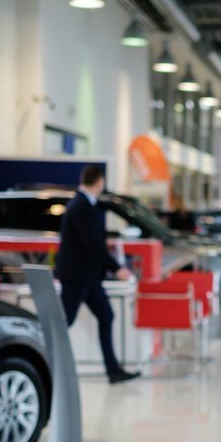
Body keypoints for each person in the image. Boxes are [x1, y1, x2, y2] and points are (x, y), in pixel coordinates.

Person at [55, 164, 139, 384]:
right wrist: (117, 268)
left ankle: (113, 370)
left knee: (106, 316)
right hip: (77, 278)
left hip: (88, 278)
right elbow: (94, 244)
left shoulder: (83, 204)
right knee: (64, 322)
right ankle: (49, 363)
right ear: (99, 181)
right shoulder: (81, 206)